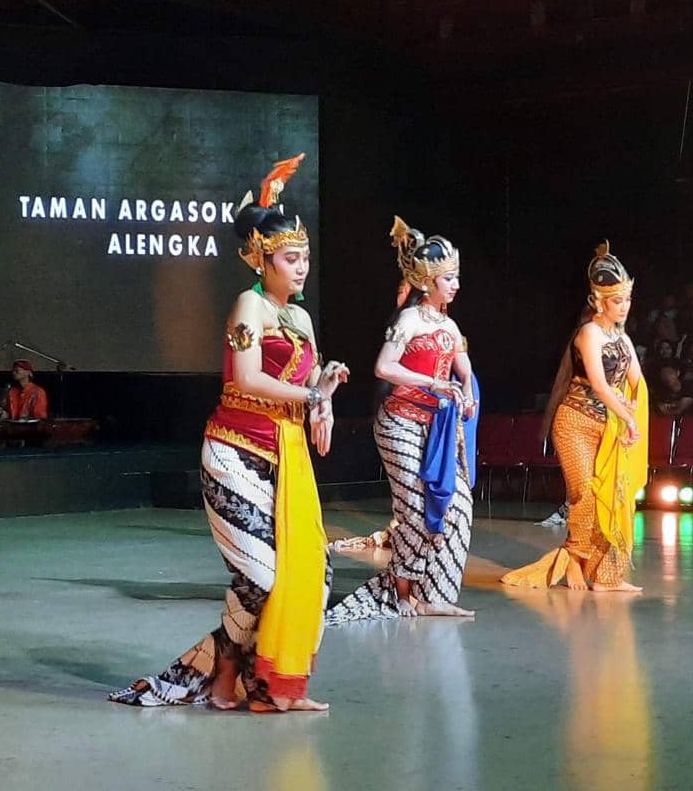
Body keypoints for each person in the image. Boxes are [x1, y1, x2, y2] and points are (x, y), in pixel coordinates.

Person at [110, 153, 349, 712]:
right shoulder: (249, 304)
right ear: (261, 260)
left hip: (284, 454)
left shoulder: (303, 319)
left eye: (305, 257)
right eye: (291, 258)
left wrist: (325, 398)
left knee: (308, 572)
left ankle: (263, 687)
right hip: (235, 451)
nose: (302, 267)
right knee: (262, 576)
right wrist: (312, 395)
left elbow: (305, 380)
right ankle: (223, 671)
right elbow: (248, 376)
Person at [325, 215, 477, 623]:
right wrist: (433, 383)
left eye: (457, 277)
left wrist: (467, 395)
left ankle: (437, 594)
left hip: (435, 428)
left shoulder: (450, 325)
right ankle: (401, 589)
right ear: (428, 282)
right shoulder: (408, 320)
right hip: (399, 424)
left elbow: (463, 368)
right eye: (449, 279)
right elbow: (383, 367)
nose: (456, 285)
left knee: (458, 505)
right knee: (413, 507)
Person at [500, 241, 648, 592]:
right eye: (617, 300)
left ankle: (607, 575)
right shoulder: (589, 333)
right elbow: (598, 383)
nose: (624, 307)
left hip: (608, 425)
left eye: (627, 300)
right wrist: (627, 418)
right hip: (575, 421)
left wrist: (631, 411)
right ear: (599, 301)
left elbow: (637, 382)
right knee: (584, 492)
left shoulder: (623, 340)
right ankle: (574, 561)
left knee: (613, 495)